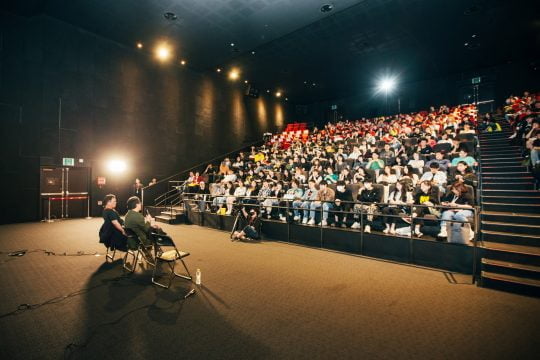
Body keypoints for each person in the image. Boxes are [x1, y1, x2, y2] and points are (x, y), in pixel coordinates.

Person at [124, 196, 161, 263]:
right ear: (136, 205)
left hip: (130, 240)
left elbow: (139, 226)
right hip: (139, 241)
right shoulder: (138, 216)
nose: (141, 204)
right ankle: (157, 251)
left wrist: (150, 224)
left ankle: (149, 252)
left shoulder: (127, 214)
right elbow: (146, 229)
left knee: (154, 228)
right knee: (157, 231)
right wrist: (149, 220)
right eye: (140, 203)